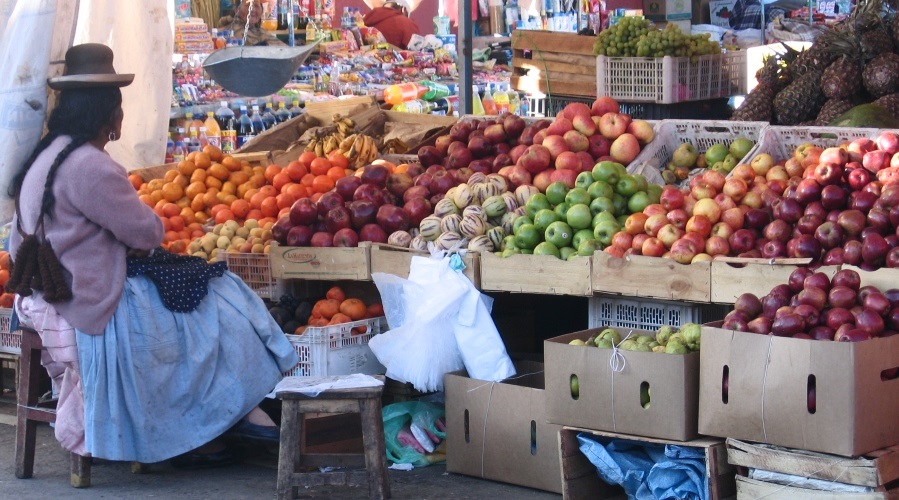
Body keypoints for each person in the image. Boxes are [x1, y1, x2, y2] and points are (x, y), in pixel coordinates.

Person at [7, 43, 298, 469]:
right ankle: (234, 412)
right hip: (88, 300)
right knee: (219, 296)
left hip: (50, 293)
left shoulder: (45, 157)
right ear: (107, 113)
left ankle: (213, 424)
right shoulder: (90, 165)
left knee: (192, 296)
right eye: (119, 107)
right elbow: (146, 231)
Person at [219, 0, 285, 46]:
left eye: (256, 6)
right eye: (248, 5)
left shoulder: (260, 31)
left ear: (262, 11)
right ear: (236, 10)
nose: (252, 10)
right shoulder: (231, 32)